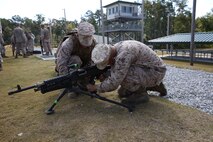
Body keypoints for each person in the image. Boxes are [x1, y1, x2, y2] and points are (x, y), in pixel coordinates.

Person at [87, 40, 167, 105]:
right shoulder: (117, 47)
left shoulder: (123, 55)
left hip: (155, 72)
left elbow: (114, 82)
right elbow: (116, 67)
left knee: (123, 76)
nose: (107, 64)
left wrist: (95, 87)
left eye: (106, 62)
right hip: (151, 69)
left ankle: (141, 94)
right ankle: (155, 85)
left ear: (110, 57)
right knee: (122, 93)